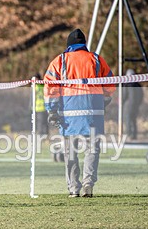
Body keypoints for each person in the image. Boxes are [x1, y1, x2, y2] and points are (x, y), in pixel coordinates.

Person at [43, 28, 114, 198]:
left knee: (71, 153)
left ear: (69, 45)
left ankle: (74, 188)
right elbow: (111, 84)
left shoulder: (60, 61)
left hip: (69, 115)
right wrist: (103, 100)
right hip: (94, 114)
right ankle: (88, 183)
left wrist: (51, 110)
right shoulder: (96, 59)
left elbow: (50, 86)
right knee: (92, 150)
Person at [122, 68, 143, 140]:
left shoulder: (127, 85)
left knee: (127, 119)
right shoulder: (138, 85)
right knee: (133, 120)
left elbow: (124, 95)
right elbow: (141, 95)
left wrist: (121, 102)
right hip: (136, 105)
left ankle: (129, 134)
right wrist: (138, 104)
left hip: (128, 105)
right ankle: (134, 135)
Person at [33, 73, 48, 137]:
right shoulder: (44, 85)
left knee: (41, 123)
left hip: (40, 107)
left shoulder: (36, 87)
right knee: (44, 123)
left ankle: (42, 136)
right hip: (41, 107)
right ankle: (44, 135)